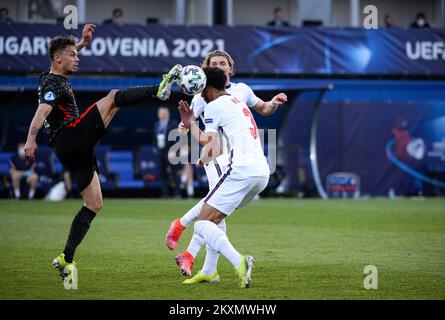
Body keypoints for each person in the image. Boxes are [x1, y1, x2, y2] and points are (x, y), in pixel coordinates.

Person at [23, 23, 181, 281]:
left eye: (78, 53)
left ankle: (66, 258)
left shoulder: (50, 75)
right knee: (113, 97)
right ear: (57, 58)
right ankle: (159, 88)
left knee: (94, 204)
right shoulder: (53, 82)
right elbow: (42, 111)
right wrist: (31, 139)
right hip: (70, 136)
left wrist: (82, 41)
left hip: (74, 149)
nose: (78, 58)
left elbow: (65, 56)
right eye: (73, 55)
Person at [165, 50, 287, 283]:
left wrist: (193, 132)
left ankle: (236, 260)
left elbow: (213, 146)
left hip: (235, 167)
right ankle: (208, 271)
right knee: (214, 218)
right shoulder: (234, 99)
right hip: (261, 171)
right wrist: (187, 126)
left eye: (224, 63)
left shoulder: (216, 102)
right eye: (215, 63)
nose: (220, 66)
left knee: (203, 223)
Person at [153, 106, 180, 197]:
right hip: (160, 152)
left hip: (171, 151)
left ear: (168, 114)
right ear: (158, 115)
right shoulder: (156, 124)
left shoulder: (173, 123)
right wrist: (155, 148)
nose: (163, 115)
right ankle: (165, 193)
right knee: (162, 173)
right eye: (161, 113)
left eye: (165, 113)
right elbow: (154, 138)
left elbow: (177, 138)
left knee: (174, 173)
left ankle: (177, 193)